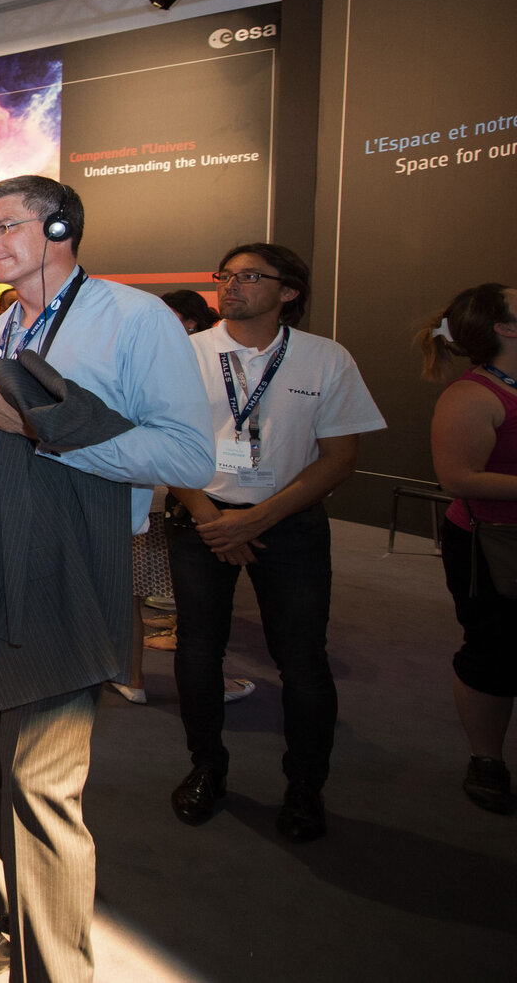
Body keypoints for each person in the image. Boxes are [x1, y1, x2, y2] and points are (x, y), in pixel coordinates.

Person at [0, 176, 212, 983]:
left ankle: (57, 970)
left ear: (59, 226)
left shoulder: (133, 319)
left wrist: (53, 434)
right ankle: (10, 930)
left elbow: (188, 456)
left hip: (68, 568)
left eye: (4, 225)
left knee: (41, 786)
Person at [166, 244, 384, 842]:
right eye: (226, 276)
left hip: (289, 523)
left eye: (249, 277)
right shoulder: (185, 353)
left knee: (303, 663)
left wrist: (258, 519)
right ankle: (207, 768)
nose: (231, 286)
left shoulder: (325, 359)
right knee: (196, 654)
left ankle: (305, 787)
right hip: (200, 516)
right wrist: (214, 519)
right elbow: (162, 440)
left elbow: (340, 458)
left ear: (288, 291)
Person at [421, 282, 517, 814]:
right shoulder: (472, 396)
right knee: (494, 655)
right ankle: (487, 759)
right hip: (494, 546)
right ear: (505, 328)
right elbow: (458, 478)